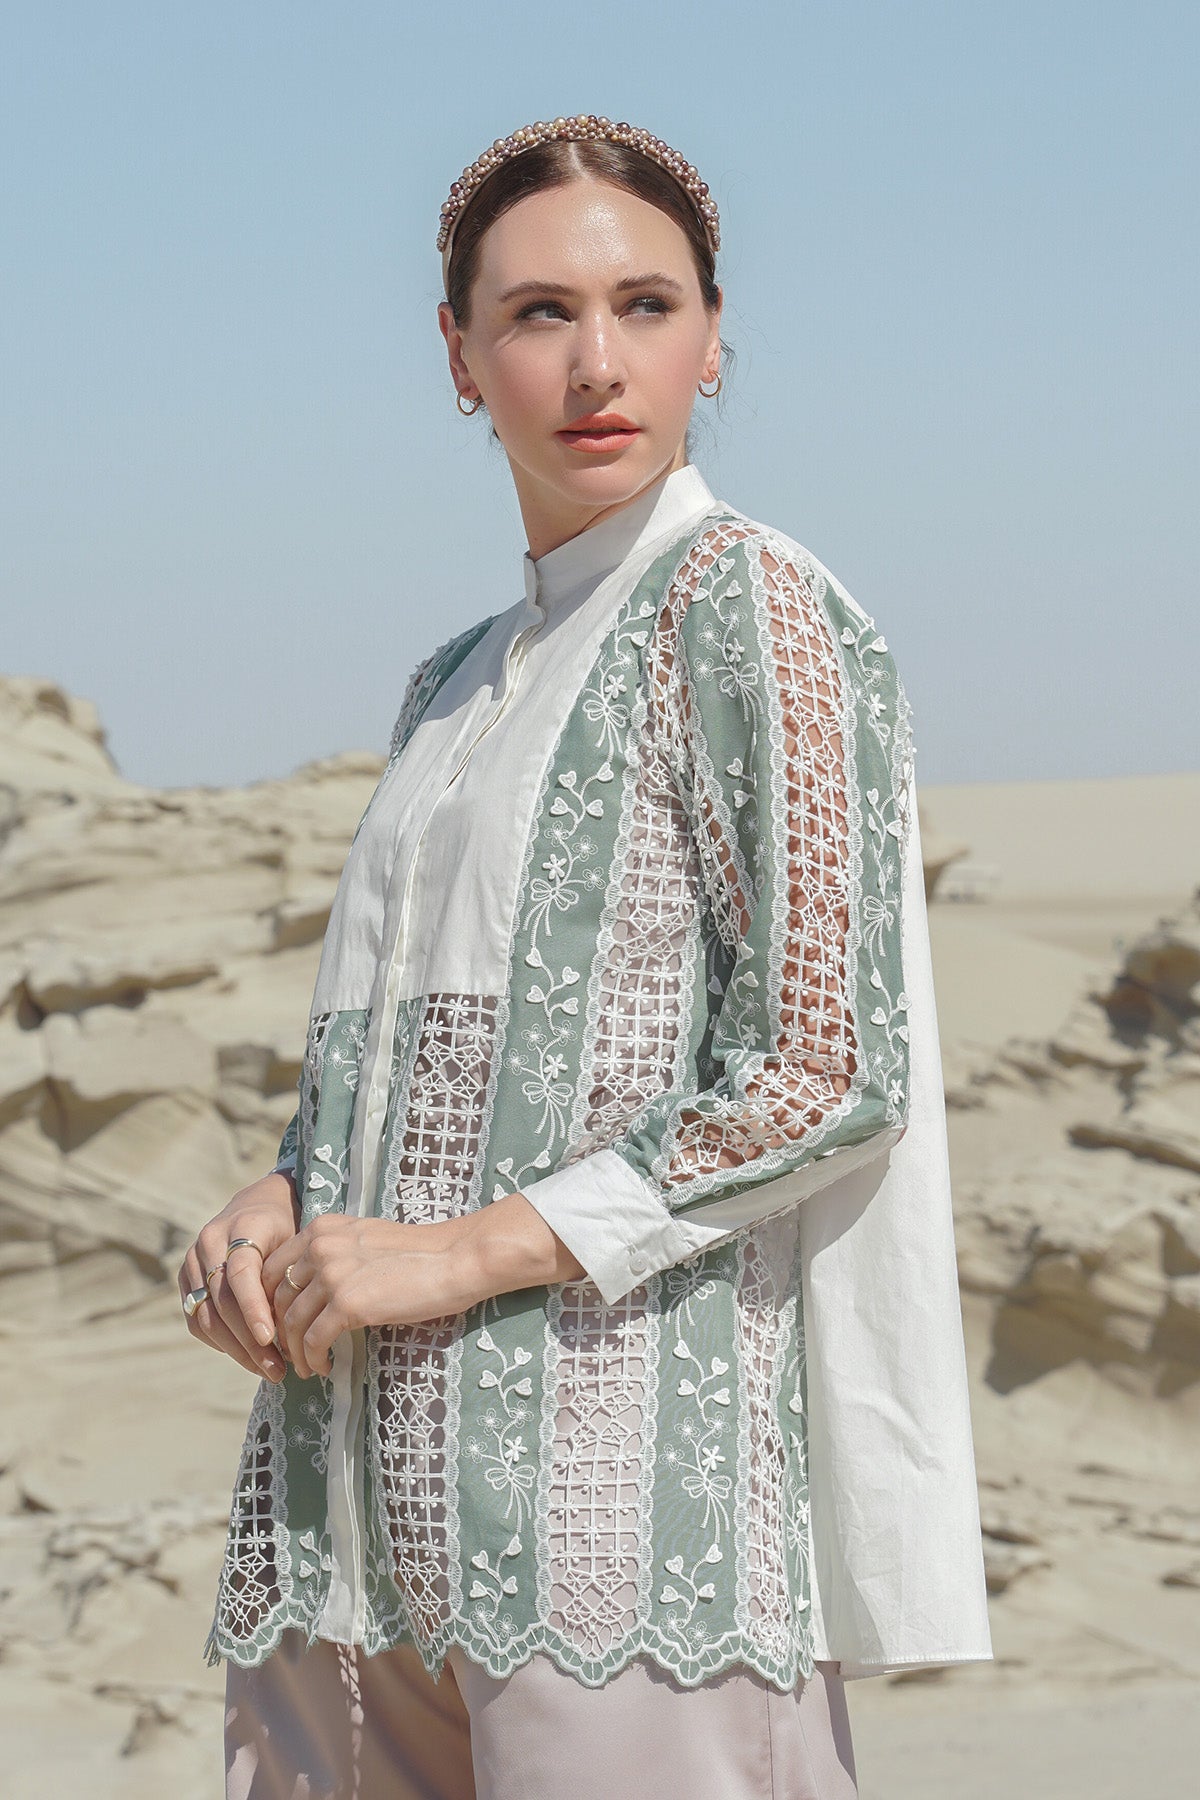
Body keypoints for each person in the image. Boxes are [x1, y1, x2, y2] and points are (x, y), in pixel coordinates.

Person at [179, 114, 993, 1800]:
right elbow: (432, 1051)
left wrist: (457, 1253)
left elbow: (827, 1072)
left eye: (647, 305)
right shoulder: (449, 682)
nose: (597, 363)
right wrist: (283, 1194)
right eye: (540, 312)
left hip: (618, 1534)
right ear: (459, 354)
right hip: (344, 1528)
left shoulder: (750, 606)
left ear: (715, 334)